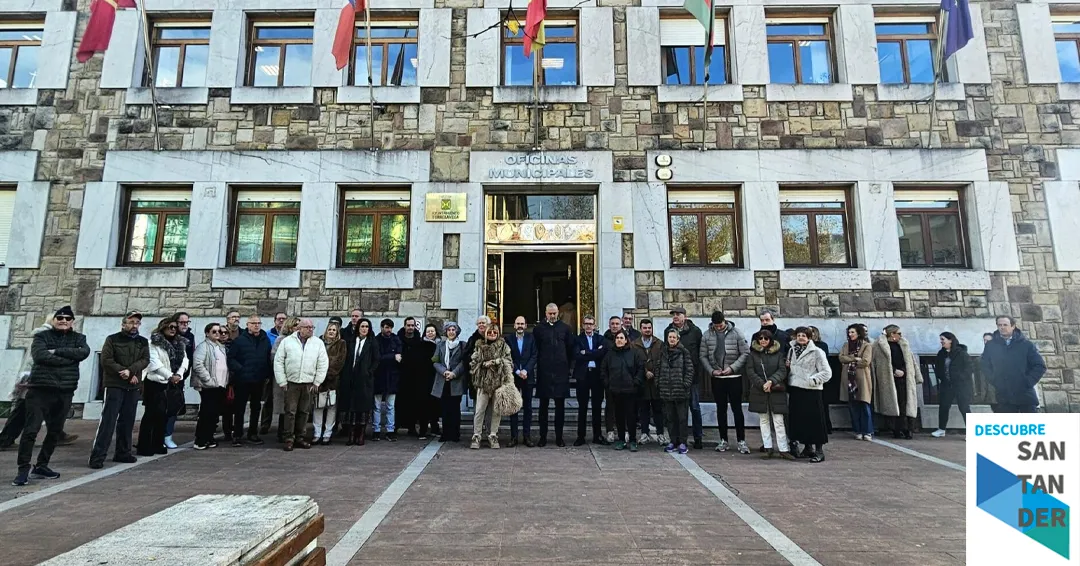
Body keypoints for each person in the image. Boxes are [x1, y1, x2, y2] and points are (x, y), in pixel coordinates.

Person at [12, 306, 90, 486]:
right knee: (31, 430)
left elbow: (84, 352)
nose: (63, 321)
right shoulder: (41, 337)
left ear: (72, 322)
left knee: (55, 431)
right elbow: (40, 356)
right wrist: (69, 359)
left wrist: (56, 352)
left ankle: (42, 465)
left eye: (67, 318)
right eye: (60, 318)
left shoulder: (79, 338)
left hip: (65, 391)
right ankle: (23, 469)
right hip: (40, 390)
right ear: (53, 320)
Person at [88, 311, 149, 468]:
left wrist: (132, 372)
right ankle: (97, 456)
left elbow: (145, 360)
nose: (134, 325)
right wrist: (125, 372)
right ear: (123, 324)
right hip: (115, 384)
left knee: (127, 421)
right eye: (131, 322)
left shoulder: (142, 341)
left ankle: (123, 452)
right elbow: (106, 360)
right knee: (108, 420)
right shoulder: (112, 339)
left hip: (132, 385)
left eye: (137, 323)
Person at [274, 319, 328, 451]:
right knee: (290, 412)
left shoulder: (318, 343)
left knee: (304, 411)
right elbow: (279, 361)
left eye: (312, 327)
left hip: (308, 383)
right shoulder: (287, 342)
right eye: (307, 327)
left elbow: (323, 363)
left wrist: (317, 381)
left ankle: (300, 437)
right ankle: (288, 438)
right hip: (291, 382)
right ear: (299, 328)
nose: (310, 329)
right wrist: (282, 380)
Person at [138, 316, 188, 457]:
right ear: (163, 327)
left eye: (174, 327)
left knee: (163, 416)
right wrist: (169, 375)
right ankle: (145, 445)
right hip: (155, 383)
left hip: (171, 384)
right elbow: (153, 362)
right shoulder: (153, 343)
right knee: (151, 415)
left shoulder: (180, 343)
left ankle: (158, 443)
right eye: (170, 327)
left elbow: (185, 361)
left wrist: (178, 375)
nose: (173, 330)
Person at [700, 311, 750, 454]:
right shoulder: (707, 335)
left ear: (725, 321)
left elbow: (745, 353)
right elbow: (702, 355)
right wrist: (711, 371)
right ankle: (723, 440)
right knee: (721, 410)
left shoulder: (736, 333)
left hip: (734, 377)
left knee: (737, 409)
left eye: (721, 325)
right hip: (717, 378)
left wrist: (732, 368)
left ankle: (741, 440)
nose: (719, 328)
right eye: (716, 326)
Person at [983, 316, 1046, 413]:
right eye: (999, 325)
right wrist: (994, 380)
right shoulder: (991, 346)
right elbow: (985, 365)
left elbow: (1039, 366)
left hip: (1025, 394)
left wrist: (1028, 381)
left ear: (1013, 326)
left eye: (1005, 325)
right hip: (1003, 396)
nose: (1002, 327)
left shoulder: (1026, 345)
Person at [786, 327, 831, 463]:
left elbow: (826, 372)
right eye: (798, 335)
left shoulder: (817, 352)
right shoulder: (791, 350)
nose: (801, 338)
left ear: (810, 337)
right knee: (800, 420)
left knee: (815, 420)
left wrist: (813, 380)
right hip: (796, 388)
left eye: (804, 335)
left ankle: (819, 451)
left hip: (812, 390)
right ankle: (807, 447)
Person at [533, 303, 576, 447]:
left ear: (558, 313)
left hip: (561, 373)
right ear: (545, 313)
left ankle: (559, 437)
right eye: (550, 313)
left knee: (560, 407)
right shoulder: (538, 330)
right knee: (543, 408)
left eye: (554, 313)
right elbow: (536, 349)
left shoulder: (565, 329)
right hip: (544, 373)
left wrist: (568, 369)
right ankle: (543, 437)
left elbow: (570, 350)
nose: (552, 316)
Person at [227, 314, 272, 446]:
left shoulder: (265, 340)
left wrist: (267, 374)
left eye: (258, 323)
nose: (256, 325)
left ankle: (253, 433)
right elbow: (231, 359)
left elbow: (267, 358)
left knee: (256, 407)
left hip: (259, 379)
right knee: (239, 408)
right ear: (247, 325)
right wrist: (240, 369)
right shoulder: (240, 340)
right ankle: (237, 435)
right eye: (253, 323)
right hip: (243, 380)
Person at [748, 330, 793, 460]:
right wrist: (761, 384)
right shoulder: (752, 355)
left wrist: (771, 381)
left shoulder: (778, 354)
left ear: (770, 340)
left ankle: (783, 449)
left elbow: (782, 370)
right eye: (760, 338)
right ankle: (768, 447)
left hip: (775, 390)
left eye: (766, 338)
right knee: (764, 420)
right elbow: (750, 371)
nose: (763, 340)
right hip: (760, 390)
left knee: (778, 420)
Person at [871, 325, 922, 439]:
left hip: (905, 377)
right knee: (894, 403)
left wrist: (908, 372)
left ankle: (908, 429)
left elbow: (910, 361)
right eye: (898, 333)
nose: (900, 335)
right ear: (892, 334)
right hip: (889, 379)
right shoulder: (879, 346)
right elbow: (877, 364)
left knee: (905, 403)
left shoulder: (904, 344)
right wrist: (893, 370)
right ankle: (896, 429)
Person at [469, 326, 514, 449]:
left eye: (495, 332)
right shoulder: (479, 346)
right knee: (479, 410)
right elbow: (473, 362)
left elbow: (509, 362)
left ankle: (493, 435)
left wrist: (496, 362)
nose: (492, 334)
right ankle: (477, 435)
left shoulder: (504, 346)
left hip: (498, 383)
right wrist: (482, 364)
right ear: (485, 333)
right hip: (483, 383)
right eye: (490, 332)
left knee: (496, 411)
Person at [666, 307, 704, 449]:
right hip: (674, 380)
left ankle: (698, 437)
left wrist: (695, 373)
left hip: (691, 378)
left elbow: (701, 353)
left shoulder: (695, 332)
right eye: (674, 315)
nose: (675, 317)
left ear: (685, 316)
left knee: (694, 408)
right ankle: (678, 439)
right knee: (676, 412)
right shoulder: (668, 331)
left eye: (678, 314)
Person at [600, 330, 645, 452]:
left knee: (631, 416)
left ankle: (632, 440)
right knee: (619, 416)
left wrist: (636, 382)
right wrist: (607, 383)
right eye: (617, 338)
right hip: (615, 390)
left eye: (621, 338)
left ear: (626, 340)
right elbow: (603, 370)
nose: (619, 340)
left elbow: (640, 369)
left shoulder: (634, 353)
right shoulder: (610, 354)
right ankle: (620, 439)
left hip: (630, 390)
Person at [340, 318, 379, 445]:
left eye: (366, 327)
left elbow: (376, 360)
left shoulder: (372, 342)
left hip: (364, 380)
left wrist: (369, 372)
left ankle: (360, 434)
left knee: (362, 408)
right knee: (351, 408)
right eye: (362, 326)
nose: (364, 329)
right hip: (351, 379)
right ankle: (351, 435)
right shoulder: (351, 341)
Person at [191, 322, 230, 450]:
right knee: (206, 413)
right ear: (207, 333)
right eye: (214, 331)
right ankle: (200, 439)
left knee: (214, 414)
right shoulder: (203, 347)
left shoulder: (220, 347)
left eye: (220, 331)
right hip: (209, 386)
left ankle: (209, 437)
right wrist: (208, 380)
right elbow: (198, 365)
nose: (218, 333)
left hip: (220, 385)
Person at [657, 328, 694, 454]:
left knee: (682, 418)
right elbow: (658, 369)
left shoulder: (684, 352)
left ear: (678, 339)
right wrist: (659, 384)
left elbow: (689, 370)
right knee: (670, 418)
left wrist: (685, 384)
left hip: (681, 391)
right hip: (666, 391)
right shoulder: (663, 352)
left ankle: (683, 442)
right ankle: (673, 441)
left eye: (674, 337)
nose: (671, 339)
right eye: (670, 337)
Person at [574, 316, 609, 447]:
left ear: (595, 326)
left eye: (591, 324)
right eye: (586, 324)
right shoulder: (577, 339)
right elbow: (577, 355)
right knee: (582, 407)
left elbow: (602, 353)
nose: (588, 326)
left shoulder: (600, 339)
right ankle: (580, 436)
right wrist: (594, 352)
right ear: (582, 325)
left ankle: (597, 435)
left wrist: (586, 353)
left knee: (597, 407)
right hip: (583, 376)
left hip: (597, 376)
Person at [163, 312, 195, 450]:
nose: (185, 325)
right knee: (160, 408)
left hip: (179, 378)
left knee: (173, 409)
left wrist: (181, 375)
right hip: (163, 377)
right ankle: (157, 435)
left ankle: (167, 435)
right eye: (182, 322)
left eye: (187, 322)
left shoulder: (189, 337)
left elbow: (189, 359)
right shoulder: (166, 337)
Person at [932, 332, 973, 437]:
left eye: (943, 339)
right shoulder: (941, 353)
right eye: (941, 339)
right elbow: (938, 368)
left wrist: (960, 378)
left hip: (961, 386)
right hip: (947, 385)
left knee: (964, 408)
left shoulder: (961, 353)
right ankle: (941, 429)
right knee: (944, 407)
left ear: (950, 340)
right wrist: (942, 377)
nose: (941, 342)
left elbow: (968, 369)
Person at [838, 324, 874, 441]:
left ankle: (867, 431)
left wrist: (850, 360)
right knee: (853, 406)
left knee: (864, 404)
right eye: (849, 332)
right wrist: (854, 358)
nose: (850, 334)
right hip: (848, 379)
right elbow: (841, 358)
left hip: (861, 378)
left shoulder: (867, 345)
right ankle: (857, 430)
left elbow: (865, 361)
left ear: (858, 333)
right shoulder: (846, 345)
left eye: (852, 332)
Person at [432, 322, 466, 443]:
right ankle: (445, 433)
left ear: (457, 332)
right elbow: (435, 361)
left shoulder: (462, 345)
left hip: (456, 381)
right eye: (449, 330)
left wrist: (453, 373)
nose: (451, 332)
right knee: (445, 409)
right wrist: (445, 372)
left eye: (453, 330)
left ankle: (455, 434)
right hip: (443, 381)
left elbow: (464, 362)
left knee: (455, 409)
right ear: (446, 332)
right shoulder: (440, 345)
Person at [632, 319, 664, 445]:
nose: (647, 330)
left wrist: (654, 372)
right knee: (643, 409)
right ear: (641, 329)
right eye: (645, 328)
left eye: (649, 327)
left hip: (656, 382)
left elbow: (662, 361)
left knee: (658, 410)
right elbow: (635, 362)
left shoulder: (659, 344)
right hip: (642, 382)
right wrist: (645, 372)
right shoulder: (635, 344)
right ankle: (644, 433)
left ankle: (660, 434)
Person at [506, 316, 537, 447]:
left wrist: (526, 370)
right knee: (514, 408)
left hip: (527, 377)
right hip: (513, 377)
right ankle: (513, 437)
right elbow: (507, 357)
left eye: (522, 324)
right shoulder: (508, 339)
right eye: (517, 323)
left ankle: (527, 436)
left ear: (525, 326)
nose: (520, 326)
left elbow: (534, 355)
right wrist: (517, 371)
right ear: (514, 325)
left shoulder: (531, 338)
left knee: (528, 408)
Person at [315, 321, 347, 445]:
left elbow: (339, 361)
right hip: (319, 381)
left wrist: (328, 374)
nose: (331, 332)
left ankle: (327, 433)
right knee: (318, 406)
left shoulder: (341, 344)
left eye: (334, 330)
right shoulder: (319, 343)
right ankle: (317, 433)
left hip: (333, 380)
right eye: (330, 330)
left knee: (331, 407)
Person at [269, 316, 300, 442]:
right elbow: (275, 359)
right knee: (284, 407)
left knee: (294, 407)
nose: (298, 327)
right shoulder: (281, 340)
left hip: (297, 378)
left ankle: (294, 432)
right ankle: (283, 433)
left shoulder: (301, 340)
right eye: (296, 325)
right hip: (284, 378)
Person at [372, 319, 402, 442]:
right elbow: (377, 358)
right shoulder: (376, 340)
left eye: (390, 327)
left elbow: (400, 357)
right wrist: (392, 356)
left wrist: (391, 357)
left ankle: (390, 430)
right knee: (376, 406)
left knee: (390, 406)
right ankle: (376, 430)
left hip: (392, 377)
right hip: (379, 377)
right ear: (381, 327)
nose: (388, 330)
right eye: (386, 327)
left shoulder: (396, 340)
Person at [396, 317, 427, 438]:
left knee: (413, 403)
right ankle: (396, 425)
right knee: (399, 403)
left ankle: (412, 426)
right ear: (404, 326)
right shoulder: (398, 339)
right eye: (408, 325)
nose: (410, 328)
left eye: (412, 325)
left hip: (414, 376)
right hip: (400, 375)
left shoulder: (418, 341)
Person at [260, 312, 288, 436]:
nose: (281, 321)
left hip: (283, 373)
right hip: (271, 372)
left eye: (283, 319)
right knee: (268, 399)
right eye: (279, 319)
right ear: (274, 321)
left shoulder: (289, 336)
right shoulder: (268, 335)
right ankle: (265, 424)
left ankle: (282, 429)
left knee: (282, 401)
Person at [601, 315, 625, 442]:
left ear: (621, 325)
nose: (615, 326)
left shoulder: (627, 339)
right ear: (609, 325)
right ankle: (610, 431)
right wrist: (606, 380)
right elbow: (603, 364)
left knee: (625, 407)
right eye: (613, 324)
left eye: (617, 323)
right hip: (611, 381)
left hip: (625, 382)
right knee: (610, 406)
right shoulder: (604, 340)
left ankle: (624, 431)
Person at [809, 326, 835, 434]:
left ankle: (826, 426)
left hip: (820, 378)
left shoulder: (821, 346)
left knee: (823, 404)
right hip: (808, 378)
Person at [417, 324, 441, 439]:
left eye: (432, 331)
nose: (430, 333)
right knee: (424, 405)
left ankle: (435, 428)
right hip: (424, 379)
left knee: (435, 405)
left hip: (437, 378)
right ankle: (423, 430)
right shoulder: (420, 345)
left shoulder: (441, 344)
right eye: (428, 331)